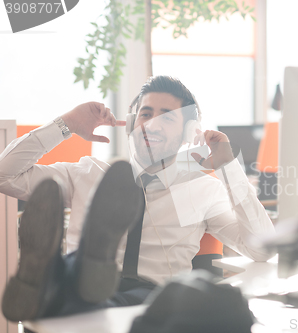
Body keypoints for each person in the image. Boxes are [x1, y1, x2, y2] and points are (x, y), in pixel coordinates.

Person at [0, 75, 275, 321]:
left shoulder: (204, 190)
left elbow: (262, 249)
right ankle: (70, 275)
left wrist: (229, 167)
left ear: (189, 133)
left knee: (83, 296)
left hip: (150, 301)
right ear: (132, 124)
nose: (152, 125)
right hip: (85, 292)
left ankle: (51, 285)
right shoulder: (89, 172)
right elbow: (5, 176)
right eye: (146, 114)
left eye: (167, 117)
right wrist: (67, 124)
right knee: (82, 287)